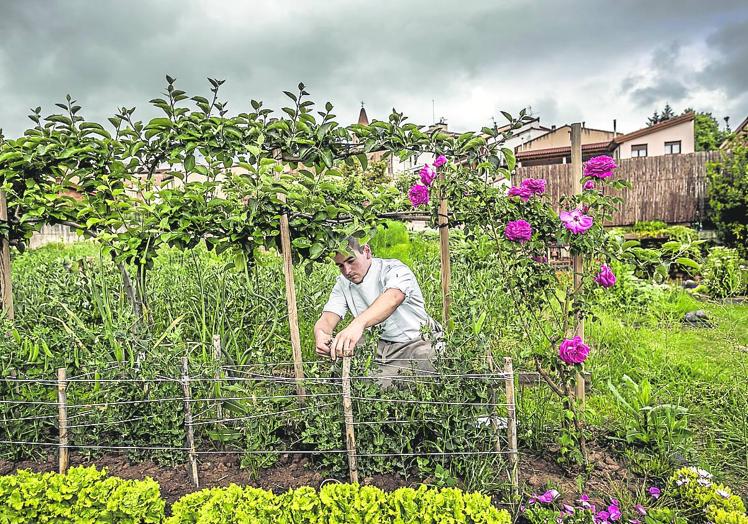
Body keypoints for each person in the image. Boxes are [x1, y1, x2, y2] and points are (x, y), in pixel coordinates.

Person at [314, 237, 441, 386]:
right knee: (344, 372)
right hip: (378, 344)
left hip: (418, 342)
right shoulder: (343, 284)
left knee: (423, 375)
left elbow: (393, 298)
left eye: (351, 261)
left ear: (367, 251)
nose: (347, 271)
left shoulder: (394, 270)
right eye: (340, 266)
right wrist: (321, 333)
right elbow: (328, 317)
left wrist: (357, 325)